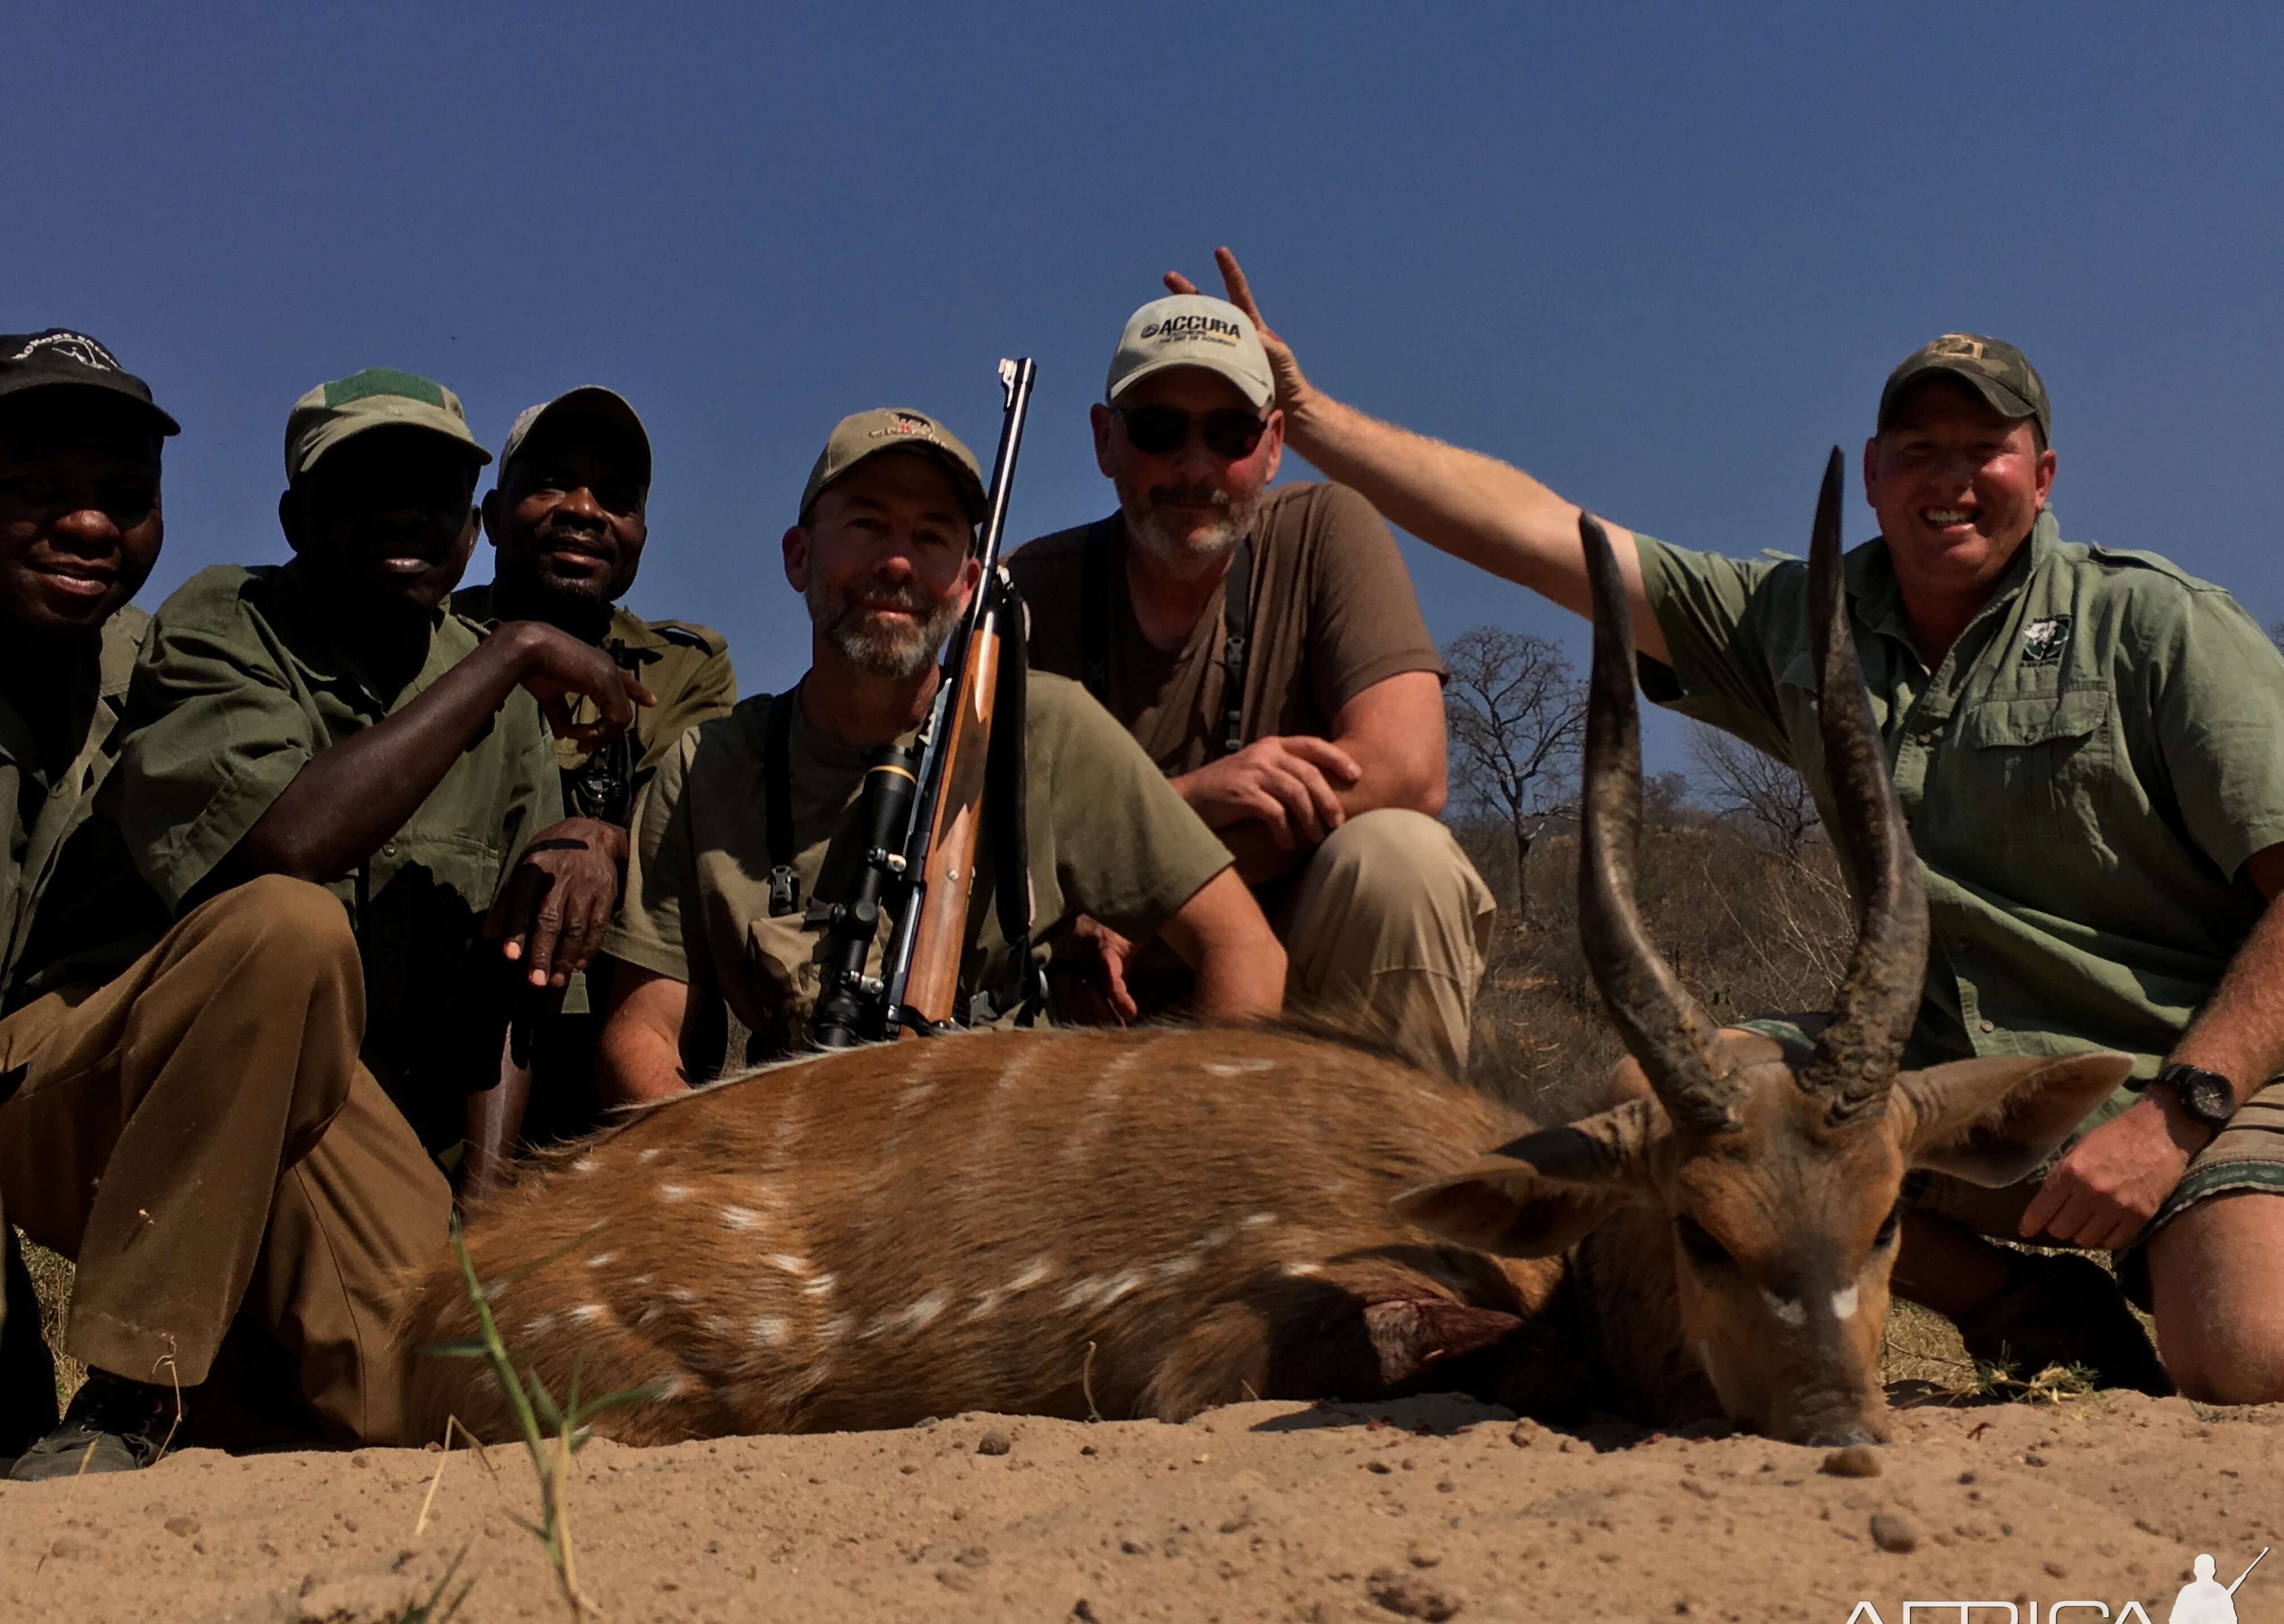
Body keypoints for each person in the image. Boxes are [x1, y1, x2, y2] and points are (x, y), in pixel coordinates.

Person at [1181, 246, 2284, 1406]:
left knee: (2244, 1360)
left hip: (2200, 1079)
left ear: (2043, 472)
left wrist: (2180, 1113)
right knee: (1658, 1099)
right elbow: (1552, 539)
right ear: (1872, 473)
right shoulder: (1803, 620)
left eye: (1986, 450)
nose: (1951, 479)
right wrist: (1307, 419)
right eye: (1920, 450)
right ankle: (2011, 1303)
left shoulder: (2154, 627)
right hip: (1951, 1082)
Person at [1, 366, 649, 1474]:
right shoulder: (225, 620)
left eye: (435, 491)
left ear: (468, 526)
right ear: (297, 517)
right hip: (83, 1088)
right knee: (289, 931)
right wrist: (513, 652)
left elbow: (511, 989)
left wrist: (478, 1240)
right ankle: (129, 1389)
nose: (404, 511)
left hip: (307, 1113)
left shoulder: (506, 720)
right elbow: (288, 848)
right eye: (364, 484)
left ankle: (233, 1413)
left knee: (456, 1401)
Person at [598, 407, 1285, 1099]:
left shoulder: (1048, 728)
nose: (898, 562)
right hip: (796, 1156)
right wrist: (721, 1183)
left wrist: (1189, 1145)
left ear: (967, 583)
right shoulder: (704, 766)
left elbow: (1245, 950)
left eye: (932, 538)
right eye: (867, 525)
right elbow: (642, 1031)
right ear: (799, 557)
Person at [1005, 295, 1494, 1078]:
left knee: (1404, 860)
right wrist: (1195, 797)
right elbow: (989, 858)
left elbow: (1407, 769)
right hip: (1091, 1017)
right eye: (1158, 430)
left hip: (1300, 991)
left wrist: (1142, 896)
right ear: (1105, 441)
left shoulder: (1328, 530)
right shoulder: (1024, 592)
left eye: (1228, 432)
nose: (1195, 466)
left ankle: (1404, 1186)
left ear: (1272, 445)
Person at [453, 387, 738, 1137]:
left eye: (616, 498)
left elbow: (695, 822)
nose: (584, 510)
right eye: (550, 484)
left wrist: (603, 839)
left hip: (600, 1044)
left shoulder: (684, 668)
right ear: (487, 516)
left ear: (640, 532)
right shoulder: (435, 646)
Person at [0, 330, 176, 1467]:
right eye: (43, 491)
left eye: (123, 496)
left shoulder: (166, 671)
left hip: (45, 1078)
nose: (90, 525)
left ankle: (132, 1388)